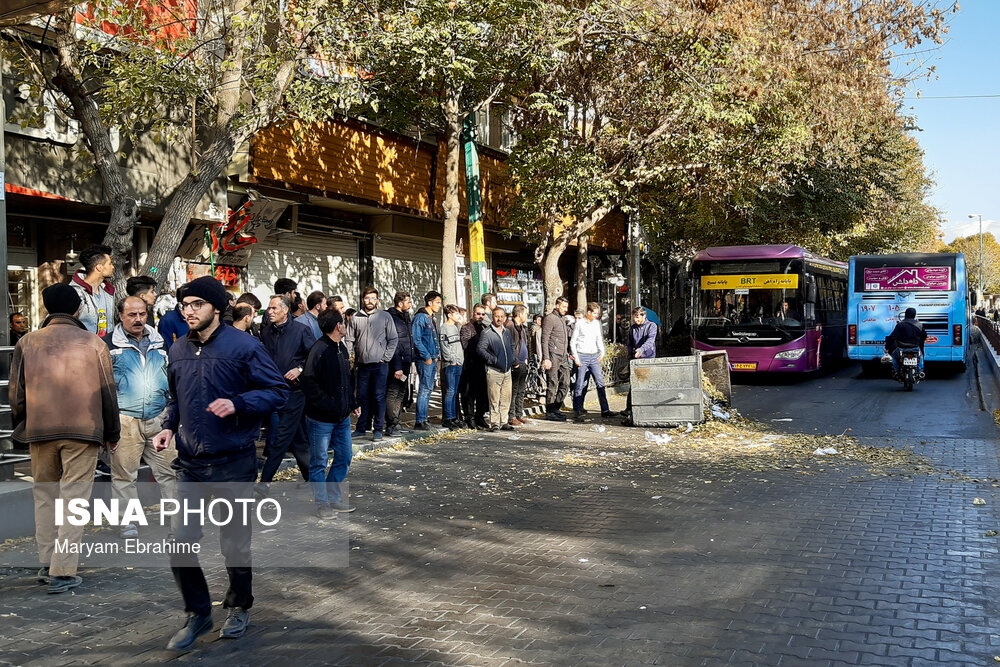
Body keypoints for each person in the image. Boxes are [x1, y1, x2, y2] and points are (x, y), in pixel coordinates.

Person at [151, 276, 288, 651]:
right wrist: (167, 427)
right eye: (184, 305)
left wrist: (239, 404)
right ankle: (198, 613)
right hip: (191, 464)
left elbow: (278, 391)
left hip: (234, 463)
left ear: (216, 307)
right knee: (179, 541)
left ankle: (240, 604)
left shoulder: (244, 346)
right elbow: (177, 398)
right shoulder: (178, 349)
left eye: (196, 304)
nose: (189, 311)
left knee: (234, 543)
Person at [10, 284, 120, 594]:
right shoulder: (93, 344)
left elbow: (16, 395)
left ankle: (47, 562)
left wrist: (23, 425)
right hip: (84, 432)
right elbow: (107, 394)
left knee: (45, 496)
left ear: (46, 308)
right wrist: (112, 433)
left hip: (40, 431)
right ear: (76, 310)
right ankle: (62, 570)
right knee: (74, 500)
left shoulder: (27, 342)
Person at [105, 296, 176, 539]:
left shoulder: (159, 342)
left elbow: (170, 376)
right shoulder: (107, 344)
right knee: (124, 474)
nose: (138, 319)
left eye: (142, 314)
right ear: (121, 316)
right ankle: (125, 522)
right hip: (125, 419)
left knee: (170, 470)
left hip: (158, 418)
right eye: (132, 314)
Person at [301, 308, 360, 518]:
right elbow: (308, 383)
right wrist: (327, 405)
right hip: (321, 419)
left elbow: (346, 380)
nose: (346, 326)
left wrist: (352, 403)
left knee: (344, 456)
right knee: (318, 462)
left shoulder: (340, 347)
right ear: (338, 326)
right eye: (344, 322)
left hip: (342, 417)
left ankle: (333, 498)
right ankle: (322, 503)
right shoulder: (319, 350)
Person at [258, 295, 317, 491]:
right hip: (275, 391)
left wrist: (299, 369)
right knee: (298, 438)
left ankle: (265, 481)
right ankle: (312, 479)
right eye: (269, 308)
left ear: (285, 310)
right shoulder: (265, 332)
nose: (270, 311)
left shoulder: (302, 330)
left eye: (274, 308)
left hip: (295, 391)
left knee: (281, 436)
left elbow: (313, 356)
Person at [345, 287, 398, 441]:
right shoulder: (355, 317)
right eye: (367, 298)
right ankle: (361, 428)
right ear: (363, 300)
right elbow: (349, 339)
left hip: (380, 365)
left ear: (377, 300)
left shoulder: (385, 316)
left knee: (378, 396)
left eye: (373, 298)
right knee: (361, 397)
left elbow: (393, 339)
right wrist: (350, 357)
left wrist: (386, 357)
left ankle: (378, 429)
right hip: (362, 365)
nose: (370, 301)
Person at [570, 302, 613, 421]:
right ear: (588, 312)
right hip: (582, 355)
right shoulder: (579, 323)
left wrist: (602, 352)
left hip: (594, 356)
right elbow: (573, 342)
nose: (596, 315)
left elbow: (599, 338)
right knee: (579, 384)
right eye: (594, 313)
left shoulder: (596, 323)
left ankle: (605, 410)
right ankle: (577, 410)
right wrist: (576, 358)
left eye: (597, 314)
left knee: (600, 382)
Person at [477, 307, 515, 432]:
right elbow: (480, 350)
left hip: (507, 370)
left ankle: (504, 421)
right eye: (496, 316)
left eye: (501, 316)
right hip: (494, 371)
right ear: (492, 317)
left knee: (506, 397)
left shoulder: (507, 332)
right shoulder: (487, 333)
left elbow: (512, 346)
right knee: (494, 398)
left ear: (505, 317)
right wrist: (493, 360)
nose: (499, 319)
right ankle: (494, 423)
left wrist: (512, 359)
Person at [384, 291, 415, 437]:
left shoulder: (406, 317)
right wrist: (396, 366)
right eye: (408, 302)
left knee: (402, 391)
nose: (410, 305)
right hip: (397, 362)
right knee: (392, 392)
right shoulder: (392, 317)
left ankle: (397, 421)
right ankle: (391, 423)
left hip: (406, 360)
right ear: (400, 303)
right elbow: (394, 342)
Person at [70, 244, 116, 337]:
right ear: (99, 267)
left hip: (106, 347)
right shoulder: (74, 292)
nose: (113, 267)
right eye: (110, 263)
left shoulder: (109, 292)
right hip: (83, 347)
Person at [412, 290, 442, 430]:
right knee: (424, 389)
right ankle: (420, 420)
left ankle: (423, 419)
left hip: (432, 357)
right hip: (425, 358)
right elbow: (416, 339)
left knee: (429, 388)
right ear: (429, 302)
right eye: (437, 302)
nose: (439, 305)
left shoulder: (432, 318)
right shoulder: (421, 317)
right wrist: (427, 356)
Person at [624, 307, 658, 424]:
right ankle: (629, 409)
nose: (635, 320)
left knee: (647, 383)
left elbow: (650, 341)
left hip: (647, 357)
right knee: (633, 384)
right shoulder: (633, 328)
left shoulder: (652, 326)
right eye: (634, 317)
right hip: (635, 358)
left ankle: (648, 407)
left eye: (637, 317)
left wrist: (641, 350)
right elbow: (629, 343)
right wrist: (630, 357)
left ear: (644, 316)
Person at [459, 304, 489, 429]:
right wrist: (479, 340)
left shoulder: (484, 327)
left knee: (482, 393)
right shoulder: (467, 327)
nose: (480, 316)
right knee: (469, 394)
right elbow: (466, 345)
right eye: (478, 314)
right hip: (470, 365)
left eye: (483, 314)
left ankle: (480, 416)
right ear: (473, 313)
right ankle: (469, 417)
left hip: (482, 365)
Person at [541, 297, 571, 421]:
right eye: (563, 307)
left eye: (566, 307)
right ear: (557, 305)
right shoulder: (550, 318)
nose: (565, 309)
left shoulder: (563, 319)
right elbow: (545, 339)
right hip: (553, 355)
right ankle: (550, 411)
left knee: (566, 382)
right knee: (552, 383)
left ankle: (556, 407)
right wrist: (546, 358)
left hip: (563, 355)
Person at [440, 304, 464, 429]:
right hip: (450, 364)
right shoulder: (444, 328)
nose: (458, 316)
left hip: (458, 363)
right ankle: (448, 418)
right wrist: (452, 360)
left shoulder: (455, 327)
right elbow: (444, 346)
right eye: (455, 314)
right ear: (449, 315)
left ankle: (454, 417)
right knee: (450, 391)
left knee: (454, 392)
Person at [506, 305, 531, 426]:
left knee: (521, 390)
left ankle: (519, 414)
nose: (527, 316)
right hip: (515, 363)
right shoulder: (510, 326)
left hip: (523, 362)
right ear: (519, 314)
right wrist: (514, 361)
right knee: (514, 390)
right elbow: (509, 345)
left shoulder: (522, 327)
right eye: (525, 313)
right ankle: (511, 416)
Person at [884, 307, 928, 377]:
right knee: (920, 356)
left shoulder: (900, 325)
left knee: (894, 356)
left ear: (905, 315)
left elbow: (893, 337)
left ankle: (896, 371)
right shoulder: (919, 325)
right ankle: (920, 371)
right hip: (915, 347)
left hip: (901, 348)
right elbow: (924, 336)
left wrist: (887, 346)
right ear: (914, 315)